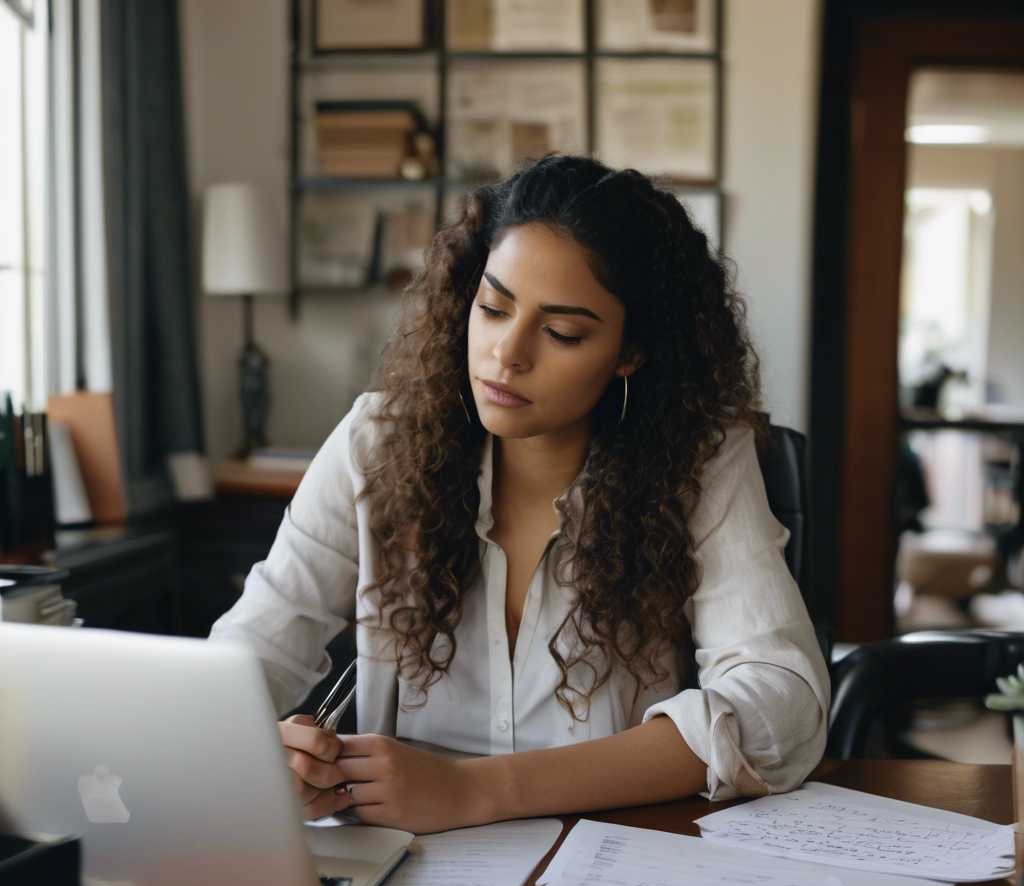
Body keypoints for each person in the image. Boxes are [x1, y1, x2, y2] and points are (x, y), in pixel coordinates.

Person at [210, 153, 829, 835]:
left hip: (610, 858)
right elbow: (252, 651)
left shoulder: (700, 460)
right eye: (493, 307)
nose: (507, 353)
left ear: (631, 352)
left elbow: (784, 706)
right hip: (400, 865)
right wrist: (261, 749)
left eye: (562, 332)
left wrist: (479, 790)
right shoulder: (376, 443)